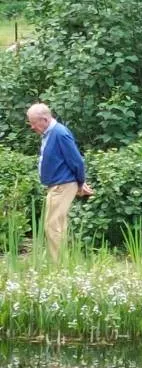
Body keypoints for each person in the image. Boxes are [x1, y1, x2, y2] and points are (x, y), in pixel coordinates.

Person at [26, 103, 93, 262]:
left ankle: (58, 265)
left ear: (45, 119)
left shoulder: (59, 133)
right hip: (58, 185)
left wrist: (80, 182)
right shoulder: (49, 133)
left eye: (34, 123)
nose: (32, 127)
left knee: (52, 226)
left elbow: (76, 161)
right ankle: (62, 262)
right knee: (59, 225)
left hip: (62, 186)